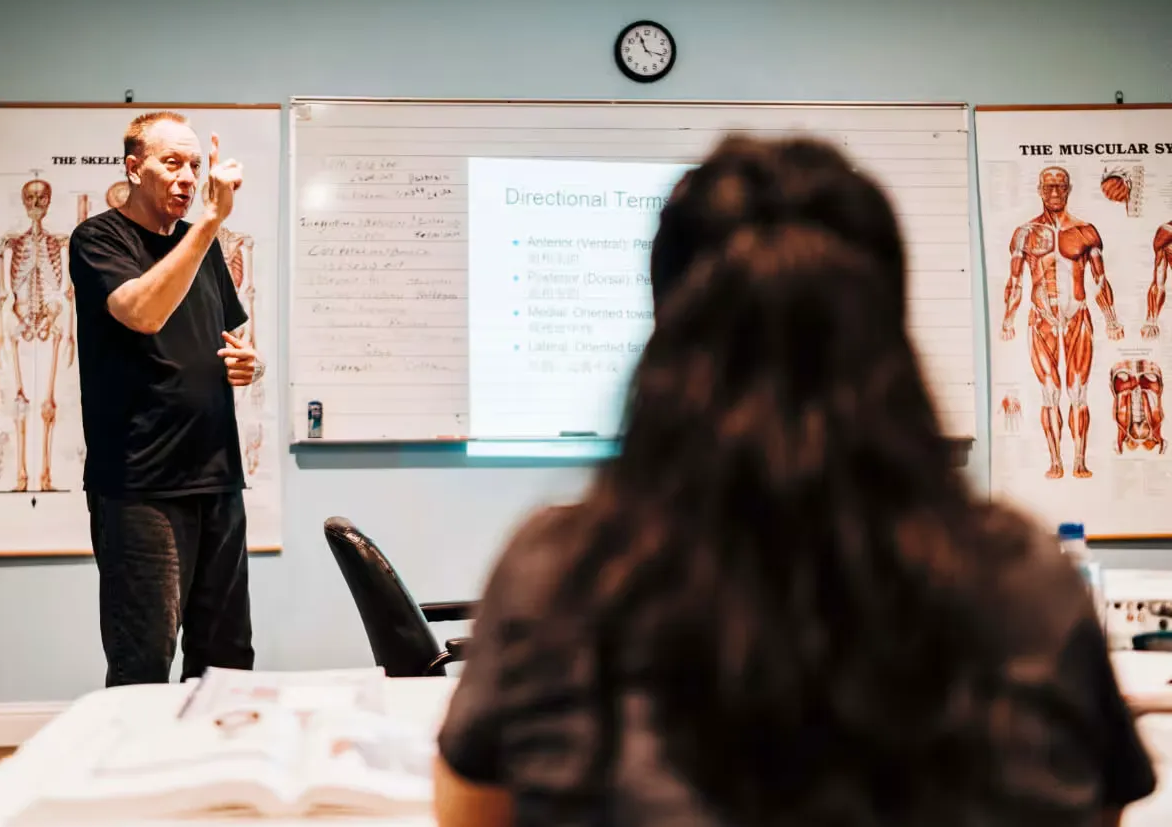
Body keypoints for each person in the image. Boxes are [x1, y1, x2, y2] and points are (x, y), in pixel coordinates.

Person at [434, 138, 1156, 827]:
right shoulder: (1027, 583)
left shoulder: (556, 576)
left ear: (666, 331)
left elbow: (473, 813)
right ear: (889, 328)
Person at [69, 110, 265, 687]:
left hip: (217, 477)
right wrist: (209, 222)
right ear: (134, 167)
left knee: (228, 660)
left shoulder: (200, 245)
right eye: (171, 163)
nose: (186, 177)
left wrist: (246, 363)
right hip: (141, 486)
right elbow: (143, 312)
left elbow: (232, 338)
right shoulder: (98, 238)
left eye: (194, 165)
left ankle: (217, 775)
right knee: (144, 665)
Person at [1000, 165, 1123, 480]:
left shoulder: (1085, 231)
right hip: (1041, 319)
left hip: (1077, 316)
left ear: (1069, 190)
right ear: (1040, 189)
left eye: (1061, 187)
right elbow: (1014, 280)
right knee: (1050, 391)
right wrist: (1008, 318)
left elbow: (1099, 279)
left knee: (1078, 391)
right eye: (1049, 187)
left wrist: (1110, 319)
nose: (1055, 193)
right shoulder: (1025, 233)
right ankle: (1056, 461)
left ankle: (1079, 460)